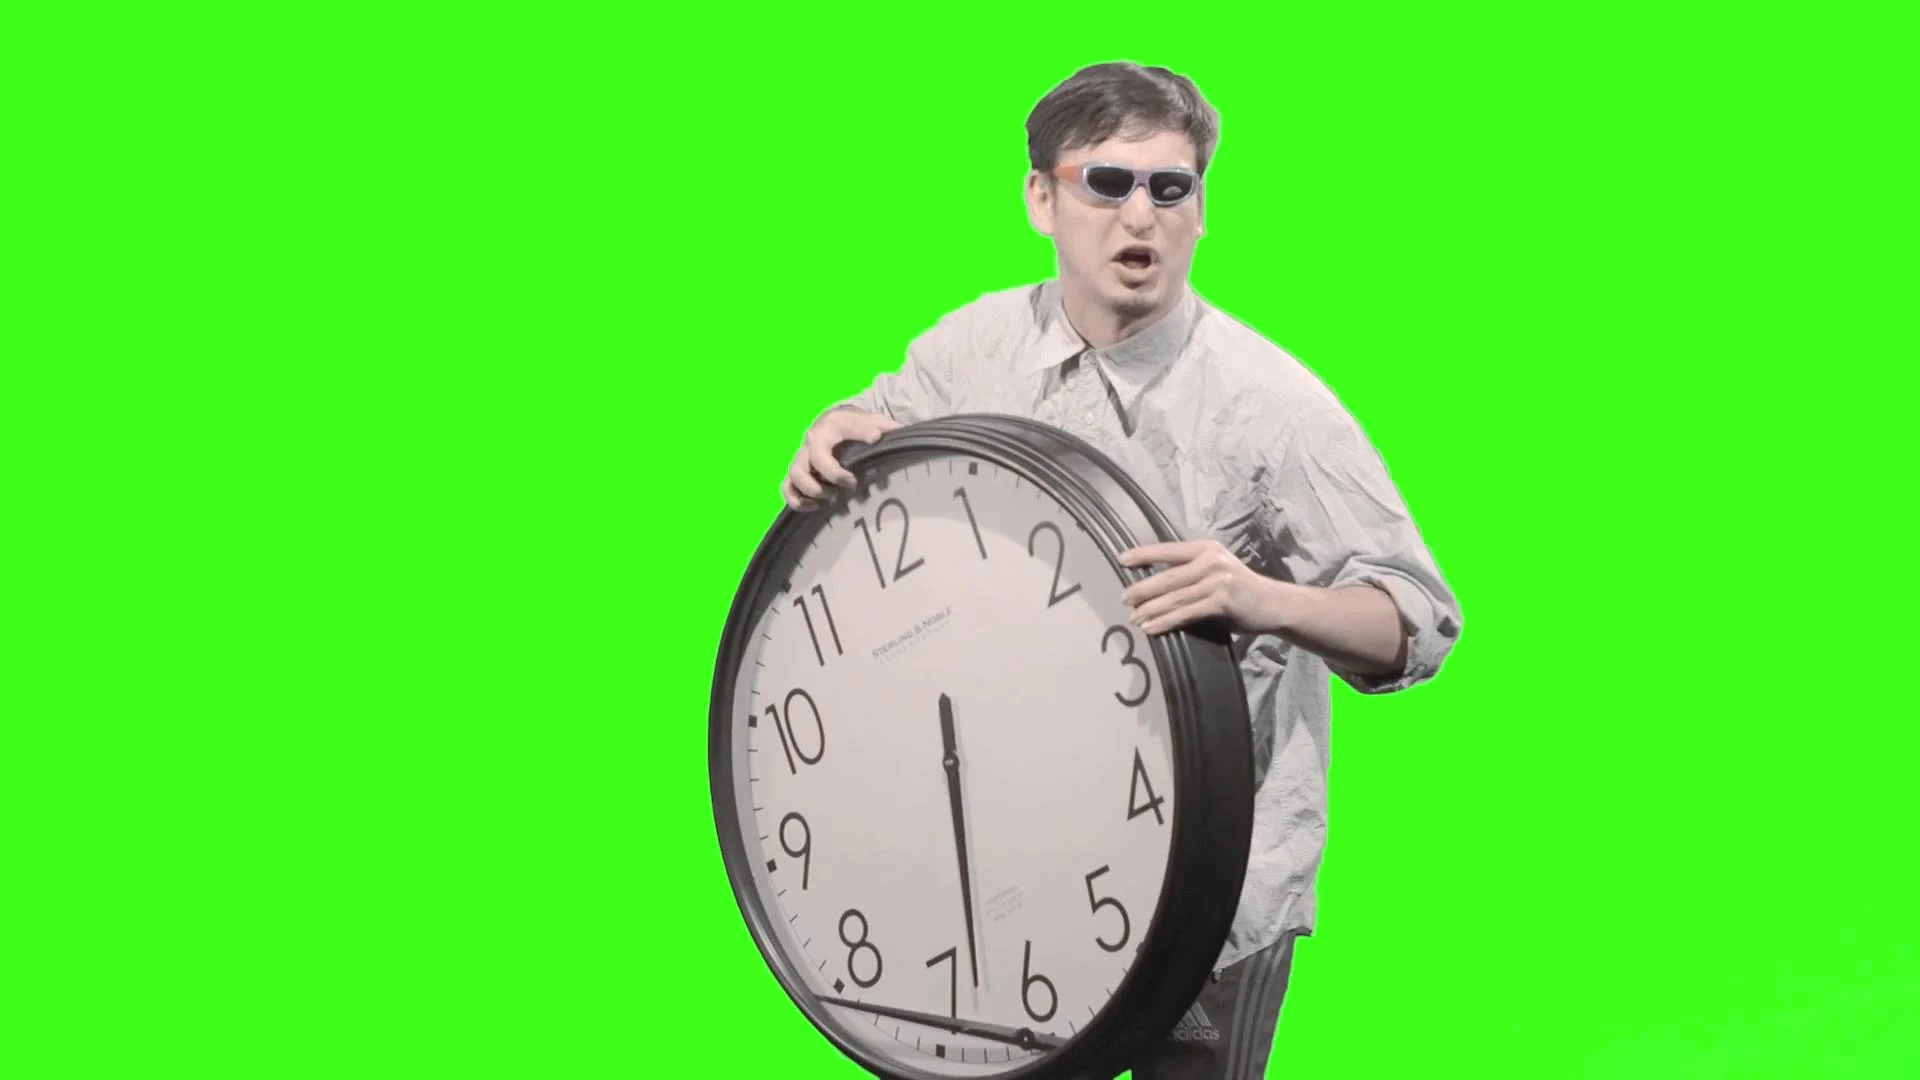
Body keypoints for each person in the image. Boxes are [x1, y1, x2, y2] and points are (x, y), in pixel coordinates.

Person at [779, 61, 1463, 1080]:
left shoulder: (1269, 408)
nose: (1139, 215)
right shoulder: (975, 347)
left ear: (1199, 210)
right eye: (1106, 183)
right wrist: (837, 427)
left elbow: (1417, 621)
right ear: (1041, 199)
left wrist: (1261, 598)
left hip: (1212, 900)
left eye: (1169, 187)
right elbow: (886, 422)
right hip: (1023, 858)